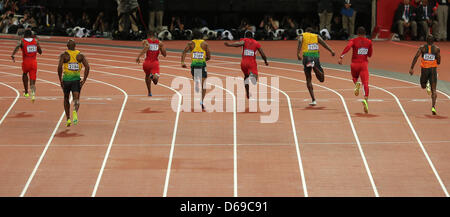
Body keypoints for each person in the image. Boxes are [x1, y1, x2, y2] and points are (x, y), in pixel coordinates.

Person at [297, 27, 335, 106]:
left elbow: (300, 41)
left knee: (308, 79)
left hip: (306, 57)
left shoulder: (302, 35)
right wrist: (331, 50)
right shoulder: (316, 36)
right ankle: (314, 67)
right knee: (321, 79)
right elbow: (324, 44)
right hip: (315, 56)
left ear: (306, 31)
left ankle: (313, 100)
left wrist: (298, 53)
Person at [224, 31, 269, 99]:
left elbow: (238, 43)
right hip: (251, 63)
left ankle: (247, 92)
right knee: (254, 79)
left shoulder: (244, 40)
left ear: (245, 36)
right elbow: (262, 54)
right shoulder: (256, 43)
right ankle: (252, 76)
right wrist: (265, 61)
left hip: (243, 63)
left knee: (246, 77)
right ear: (252, 36)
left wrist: (229, 45)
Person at [338, 26, 373, 113]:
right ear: (365, 34)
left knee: (354, 77)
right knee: (365, 83)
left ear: (357, 33)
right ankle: (365, 99)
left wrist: (341, 57)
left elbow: (348, 47)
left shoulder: (353, 40)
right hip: (364, 65)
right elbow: (370, 55)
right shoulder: (369, 42)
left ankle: (356, 83)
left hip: (354, 64)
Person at [57, 39, 90, 127]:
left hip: (66, 80)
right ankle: (75, 111)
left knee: (66, 98)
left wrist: (60, 80)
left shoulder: (64, 55)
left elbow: (59, 67)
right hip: (76, 81)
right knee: (76, 99)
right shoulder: (80, 56)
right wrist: (84, 80)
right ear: (75, 46)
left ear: (67, 46)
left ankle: (68, 118)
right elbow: (87, 67)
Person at [409, 34, 441, 115]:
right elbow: (439, 61)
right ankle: (433, 106)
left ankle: (427, 84)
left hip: (425, 70)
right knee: (434, 90)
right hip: (433, 70)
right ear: (433, 41)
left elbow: (416, 57)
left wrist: (411, 68)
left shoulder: (422, 48)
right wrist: (435, 58)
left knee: (423, 86)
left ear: (426, 40)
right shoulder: (437, 49)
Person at [181, 30, 211, 110]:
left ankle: (197, 82)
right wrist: (204, 59)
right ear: (201, 36)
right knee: (203, 85)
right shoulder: (205, 44)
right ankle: (202, 101)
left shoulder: (190, 43)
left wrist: (182, 62)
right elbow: (209, 56)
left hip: (194, 66)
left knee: (195, 79)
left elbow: (184, 52)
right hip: (202, 65)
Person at [11, 29, 42, 102]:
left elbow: (17, 47)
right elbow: (40, 51)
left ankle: (26, 92)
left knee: (25, 74)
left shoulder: (22, 41)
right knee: (32, 78)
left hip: (26, 62)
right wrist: (37, 48)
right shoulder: (36, 41)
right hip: (34, 62)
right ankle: (33, 93)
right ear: (31, 35)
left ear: (24, 34)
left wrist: (13, 54)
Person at [136, 30, 167, 96]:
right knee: (155, 81)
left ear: (148, 35)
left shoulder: (145, 41)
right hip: (154, 64)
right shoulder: (160, 43)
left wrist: (138, 57)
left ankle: (149, 92)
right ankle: (153, 77)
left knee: (147, 76)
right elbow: (164, 54)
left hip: (146, 63)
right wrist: (162, 48)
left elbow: (146, 47)